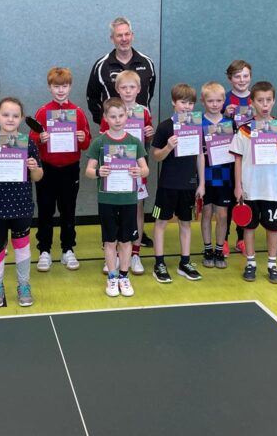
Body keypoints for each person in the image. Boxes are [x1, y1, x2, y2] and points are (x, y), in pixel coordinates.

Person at [0, 98, 43, 308]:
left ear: (21, 118)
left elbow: (38, 176)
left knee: (22, 247)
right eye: (5, 115)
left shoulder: (28, 143)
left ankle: (24, 284)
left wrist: (34, 168)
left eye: (15, 115)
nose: (10, 119)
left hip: (21, 206)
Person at [230, 81, 277, 284]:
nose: (264, 104)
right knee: (249, 228)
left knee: (273, 229)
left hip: (272, 190)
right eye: (260, 100)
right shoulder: (244, 129)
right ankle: (251, 263)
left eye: (268, 100)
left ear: (274, 101)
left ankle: (272, 264)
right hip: (250, 188)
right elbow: (238, 158)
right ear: (252, 102)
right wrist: (238, 186)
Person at [29, 67, 91, 272]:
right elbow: (32, 139)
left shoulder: (78, 112)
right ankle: (44, 250)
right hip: (47, 169)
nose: (61, 90)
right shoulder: (43, 112)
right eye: (56, 86)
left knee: (68, 210)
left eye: (64, 86)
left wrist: (82, 138)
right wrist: (40, 138)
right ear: (49, 88)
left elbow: (86, 143)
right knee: (45, 210)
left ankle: (68, 249)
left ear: (70, 87)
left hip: (70, 169)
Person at [86, 98, 149, 297]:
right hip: (107, 200)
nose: (118, 120)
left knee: (126, 240)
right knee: (110, 241)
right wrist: (99, 172)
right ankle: (112, 277)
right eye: (113, 116)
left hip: (128, 200)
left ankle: (124, 276)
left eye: (121, 115)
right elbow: (88, 171)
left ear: (126, 116)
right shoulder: (99, 142)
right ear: (105, 118)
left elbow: (146, 169)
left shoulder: (134, 142)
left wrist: (139, 171)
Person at [100, 69, 155, 274]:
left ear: (139, 89)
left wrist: (150, 133)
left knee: (137, 209)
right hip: (114, 172)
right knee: (113, 212)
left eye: (132, 87)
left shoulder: (144, 112)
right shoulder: (110, 110)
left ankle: (135, 254)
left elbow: (147, 142)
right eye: (124, 87)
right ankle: (113, 255)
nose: (128, 90)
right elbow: (103, 141)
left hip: (135, 170)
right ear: (117, 89)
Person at [150, 83, 205, 283]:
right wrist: (168, 147)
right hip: (168, 185)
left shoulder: (196, 125)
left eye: (190, 103)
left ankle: (185, 262)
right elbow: (156, 156)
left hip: (188, 185)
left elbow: (200, 155)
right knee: (161, 223)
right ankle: (159, 263)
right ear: (173, 102)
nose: (187, 107)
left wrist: (201, 183)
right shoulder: (165, 126)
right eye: (183, 102)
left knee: (186, 224)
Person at [86, 17, 156, 125]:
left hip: (140, 127)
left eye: (127, 34)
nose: (124, 39)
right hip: (112, 129)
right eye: (119, 35)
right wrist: (103, 121)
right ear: (112, 39)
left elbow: (149, 93)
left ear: (132, 35)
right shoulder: (101, 65)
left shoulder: (147, 63)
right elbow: (92, 98)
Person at [200, 81, 234, 270]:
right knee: (206, 213)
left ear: (223, 101)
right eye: (210, 101)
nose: (214, 104)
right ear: (203, 101)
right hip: (204, 176)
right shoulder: (198, 122)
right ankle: (207, 249)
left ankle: (219, 249)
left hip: (225, 176)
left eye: (218, 101)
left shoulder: (230, 123)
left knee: (222, 214)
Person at [223, 59, 253, 255]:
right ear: (230, 78)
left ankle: (241, 238)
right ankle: (223, 239)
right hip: (227, 156)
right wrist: (225, 115)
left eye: (245, 76)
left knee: (245, 197)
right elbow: (214, 127)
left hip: (250, 156)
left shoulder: (256, 98)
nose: (242, 80)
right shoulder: (224, 99)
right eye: (237, 76)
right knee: (228, 198)